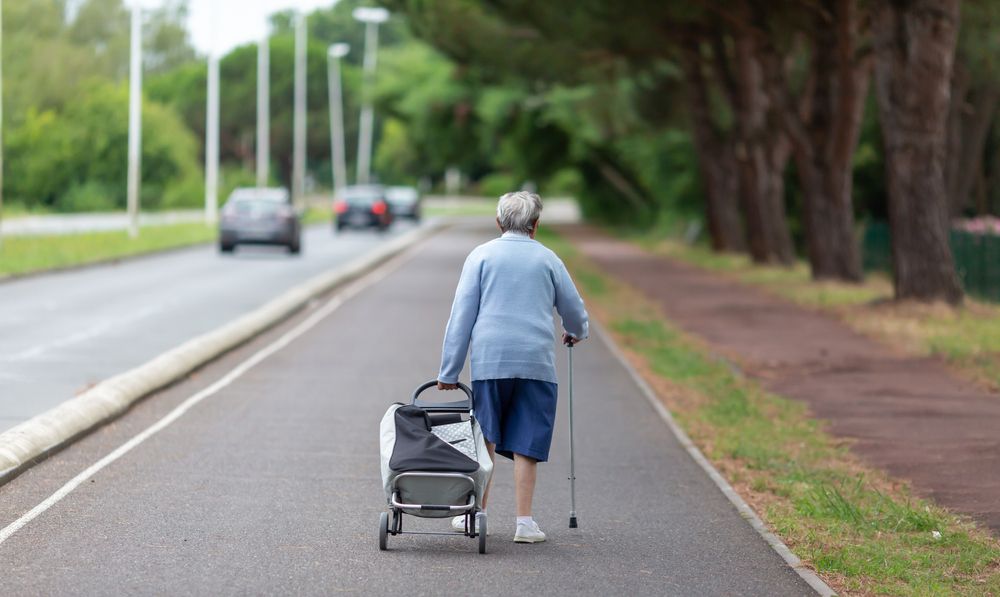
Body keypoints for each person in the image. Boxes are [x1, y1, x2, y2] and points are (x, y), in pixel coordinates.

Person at [437, 191, 589, 543]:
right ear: (536, 226)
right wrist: (577, 332)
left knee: (486, 437)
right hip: (536, 361)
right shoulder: (549, 259)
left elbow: (462, 315)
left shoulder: (481, 256)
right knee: (527, 442)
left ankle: (476, 513)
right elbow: (574, 308)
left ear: (498, 223)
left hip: (491, 360)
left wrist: (449, 372)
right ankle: (524, 522)